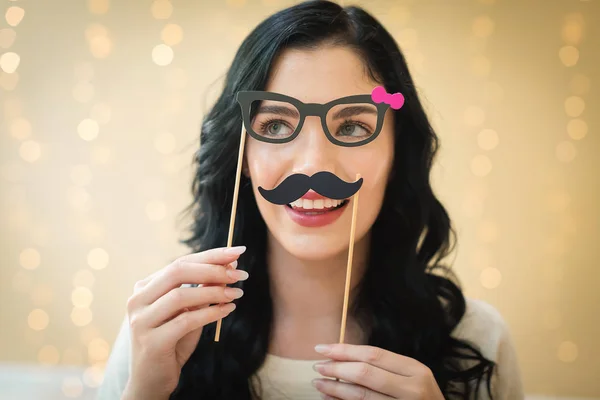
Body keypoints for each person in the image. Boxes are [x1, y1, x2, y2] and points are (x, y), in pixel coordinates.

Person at [96, 1, 525, 399]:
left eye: (354, 126)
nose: (313, 167)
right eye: (278, 126)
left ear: (398, 152)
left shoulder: (477, 338)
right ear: (242, 155)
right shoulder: (161, 333)